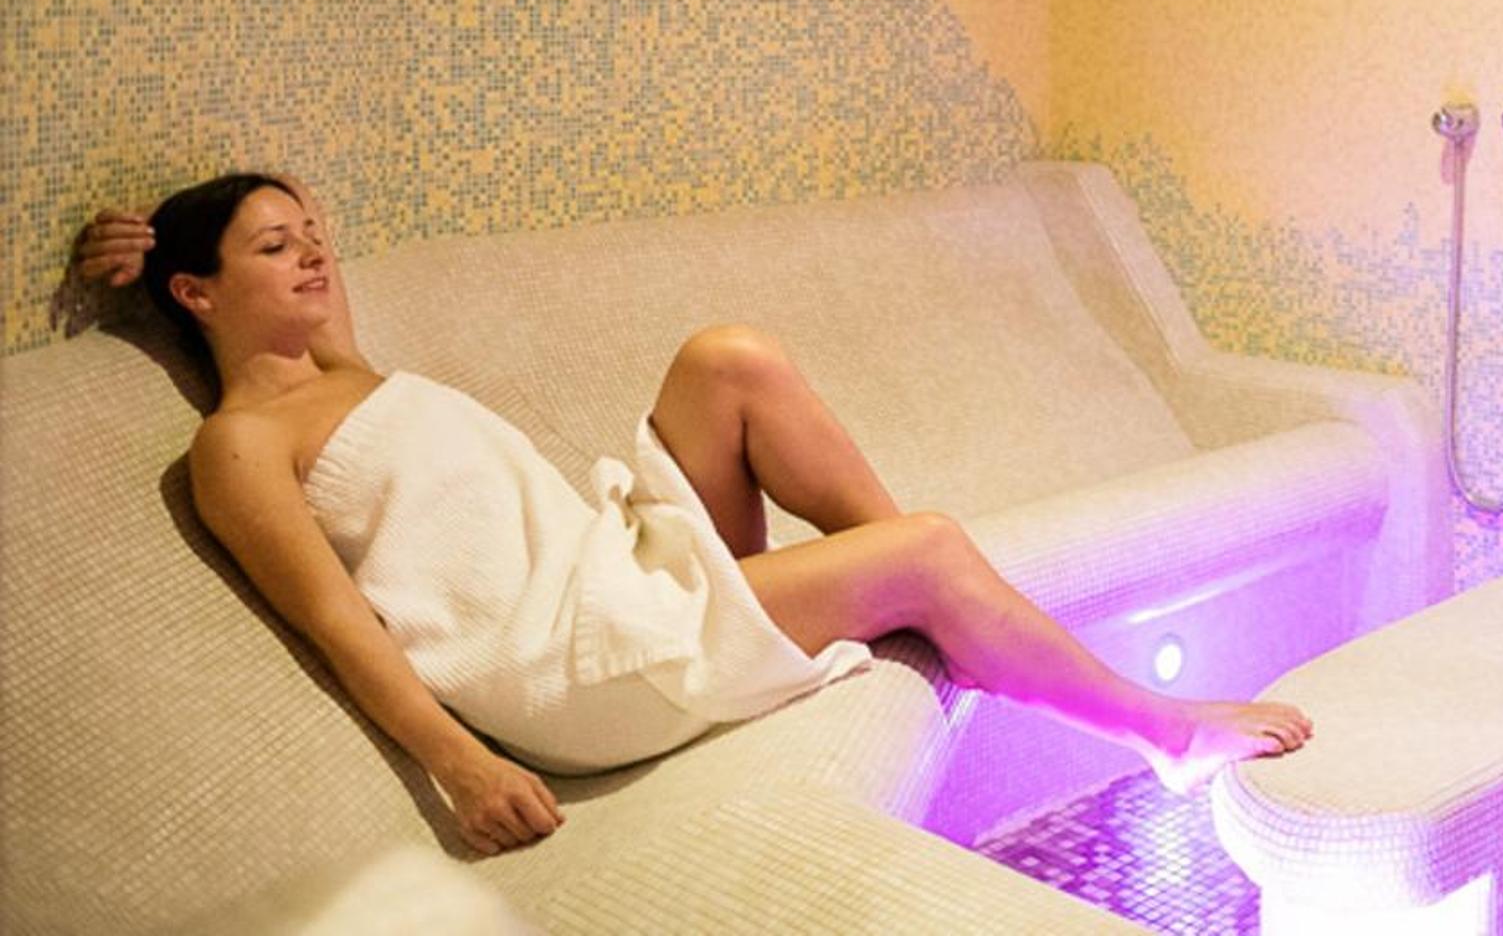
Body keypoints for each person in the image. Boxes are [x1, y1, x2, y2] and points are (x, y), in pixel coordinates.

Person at [69, 175, 1311, 857]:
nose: (312, 257)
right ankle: (1155, 728)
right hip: (570, 664)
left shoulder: (340, 367)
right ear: (197, 292)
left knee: (729, 360)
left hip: (613, 576)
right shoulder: (240, 445)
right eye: (274, 249)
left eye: (313, 238)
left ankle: (910, 597)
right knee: (932, 548)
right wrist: (463, 765)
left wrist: (154, 246)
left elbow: (283, 253)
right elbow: (338, 623)